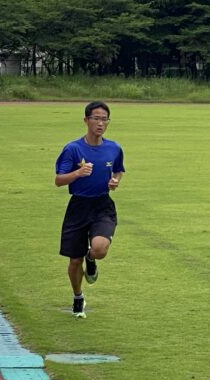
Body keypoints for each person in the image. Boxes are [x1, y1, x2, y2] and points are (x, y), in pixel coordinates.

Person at [54, 101, 125, 318]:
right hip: (78, 206)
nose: (100, 123)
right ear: (86, 120)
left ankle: (91, 258)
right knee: (74, 260)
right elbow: (58, 180)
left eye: (104, 119)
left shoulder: (114, 148)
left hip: (102, 205)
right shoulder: (73, 149)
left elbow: (119, 170)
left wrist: (115, 180)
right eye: (96, 118)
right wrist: (78, 173)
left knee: (100, 248)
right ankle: (78, 297)